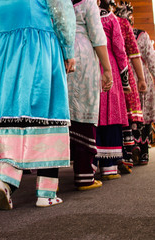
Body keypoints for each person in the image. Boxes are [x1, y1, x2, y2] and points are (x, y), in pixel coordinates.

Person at [0, 0, 76, 209]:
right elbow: (61, 11)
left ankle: (3, 180)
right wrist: (68, 48)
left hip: (3, 47)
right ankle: (46, 193)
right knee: (46, 111)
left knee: (8, 115)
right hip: (40, 43)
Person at [67, 0, 112, 191]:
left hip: (60, 54)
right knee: (84, 110)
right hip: (83, 56)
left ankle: (48, 179)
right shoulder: (87, 3)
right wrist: (107, 69)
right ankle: (84, 174)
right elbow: (98, 37)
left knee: (65, 112)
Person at [95, 0, 128, 180]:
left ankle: (89, 164)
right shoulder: (109, 18)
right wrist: (125, 80)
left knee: (91, 115)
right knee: (110, 113)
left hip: (86, 69)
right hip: (109, 69)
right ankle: (109, 167)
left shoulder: (76, 12)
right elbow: (119, 49)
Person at [113, 1, 147, 173]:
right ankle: (127, 154)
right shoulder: (122, 24)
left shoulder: (97, 19)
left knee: (110, 115)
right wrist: (141, 78)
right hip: (124, 73)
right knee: (127, 115)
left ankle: (109, 158)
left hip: (104, 71)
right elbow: (134, 53)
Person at [130, 5, 155, 165]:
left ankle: (131, 148)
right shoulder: (142, 35)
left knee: (132, 115)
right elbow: (151, 59)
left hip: (125, 79)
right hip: (143, 79)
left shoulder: (118, 32)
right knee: (144, 116)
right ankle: (144, 151)